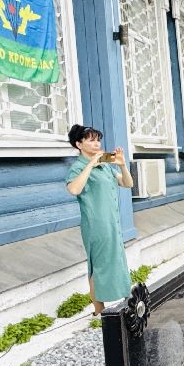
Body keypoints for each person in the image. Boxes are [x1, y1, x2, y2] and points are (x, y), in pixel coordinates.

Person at [65, 124, 133, 315]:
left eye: (98, 139)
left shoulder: (105, 166)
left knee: (115, 260)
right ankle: (98, 311)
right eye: (91, 140)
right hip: (96, 225)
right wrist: (90, 165)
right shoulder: (78, 167)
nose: (97, 144)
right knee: (98, 265)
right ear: (79, 144)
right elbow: (73, 189)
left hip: (112, 222)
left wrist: (121, 164)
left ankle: (119, 303)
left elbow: (128, 183)